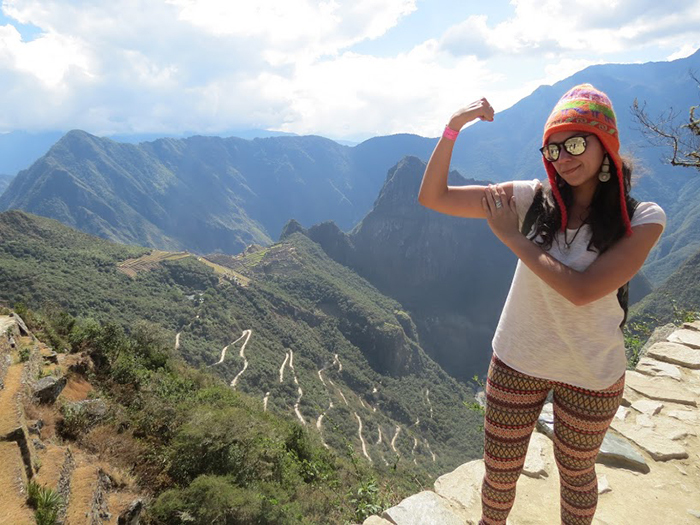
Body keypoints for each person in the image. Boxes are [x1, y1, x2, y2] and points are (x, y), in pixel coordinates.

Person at [417, 84, 666, 525]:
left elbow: (583, 291)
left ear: (605, 144)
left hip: (591, 372)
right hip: (518, 359)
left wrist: (511, 237)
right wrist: (453, 128)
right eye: (551, 149)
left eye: (574, 143)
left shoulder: (642, 218)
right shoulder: (532, 200)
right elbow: (434, 197)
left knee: (576, 474)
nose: (563, 158)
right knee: (499, 473)